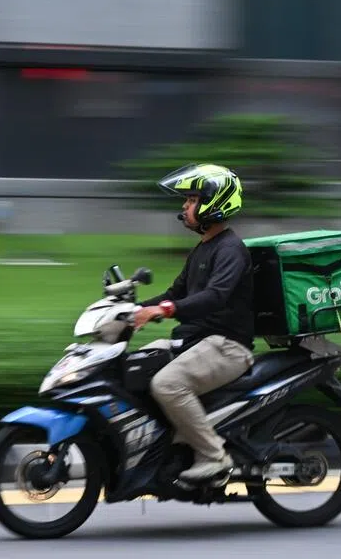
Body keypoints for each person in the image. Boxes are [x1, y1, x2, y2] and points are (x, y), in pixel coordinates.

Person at [131, 163, 256, 482]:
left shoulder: (230, 249)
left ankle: (214, 457)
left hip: (227, 346)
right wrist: (131, 310)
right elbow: (176, 292)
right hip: (200, 341)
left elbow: (215, 296)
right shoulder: (204, 248)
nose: (184, 207)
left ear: (214, 203)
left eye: (192, 199)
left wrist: (166, 310)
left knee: (167, 384)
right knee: (134, 367)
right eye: (186, 200)